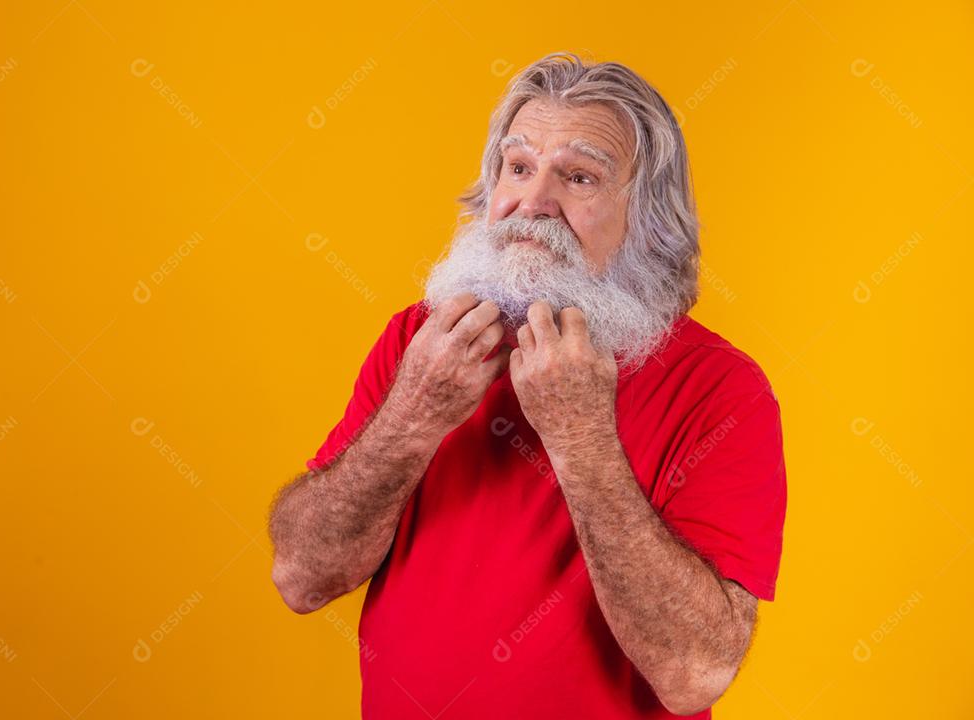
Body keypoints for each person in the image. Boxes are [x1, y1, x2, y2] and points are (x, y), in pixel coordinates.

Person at [269, 51, 787, 719]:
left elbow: (695, 673)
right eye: (518, 167)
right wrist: (413, 415)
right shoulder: (420, 341)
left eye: (578, 176)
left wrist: (580, 436)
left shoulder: (720, 389)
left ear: (648, 219)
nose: (533, 204)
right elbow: (302, 578)